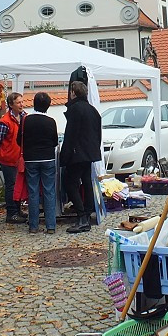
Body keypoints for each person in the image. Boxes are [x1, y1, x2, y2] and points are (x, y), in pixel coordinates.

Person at [60, 81, 101, 234]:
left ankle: (82, 216)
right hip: (89, 152)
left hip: (77, 153)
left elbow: (71, 135)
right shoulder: (92, 110)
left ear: (73, 93)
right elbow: (98, 133)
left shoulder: (75, 109)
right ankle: (87, 213)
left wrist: (65, 156)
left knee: (71, 184)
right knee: (86, 182)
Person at [18, 93, 59, 234]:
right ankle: (51, 226)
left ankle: (33, 226)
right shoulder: (51, 121)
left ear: (34, 103)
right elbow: (55, 141)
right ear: (48, 105)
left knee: (33, 192)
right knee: (49, 191)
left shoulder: (25, 120)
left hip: (30, 159)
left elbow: (19, 140)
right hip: (47, 158)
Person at [0, 92, 26, 224]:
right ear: (11, 105)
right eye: (18, 102)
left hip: (19, 158)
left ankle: (18, 210)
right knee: (11, 186)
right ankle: (11, 213)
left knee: (18, 186)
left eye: (22, 102)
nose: (22, 104)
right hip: (8, 159)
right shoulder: (4, 122)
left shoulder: (24, 117)